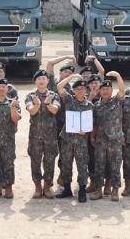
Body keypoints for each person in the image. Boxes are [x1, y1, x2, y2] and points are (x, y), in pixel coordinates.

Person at [55, 74, 94, 203]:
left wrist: (86, 131)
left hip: (81, 141)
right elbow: (59, 86)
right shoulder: (69, 100)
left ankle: (82, 190)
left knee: (82, 166)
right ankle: (67, 189)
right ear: (74, 90)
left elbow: (90, 123)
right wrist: (71, 76)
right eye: (77, 89)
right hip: (67, 140)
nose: (80, 91)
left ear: (86, 91)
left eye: (83, 89)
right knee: (66, 165)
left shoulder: (89, 105)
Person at [89, 72, 125, 202]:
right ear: (100, 91)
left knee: (115, 165)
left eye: (108, 89)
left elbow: (122, 90)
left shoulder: (117, 101)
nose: (105, 91)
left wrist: (117, 76)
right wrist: (92, 137)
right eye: (103, 89)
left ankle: (115, 190)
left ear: (111, 90)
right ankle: (98, 190)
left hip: (115, 139)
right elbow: (94, 123)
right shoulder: (96, 106)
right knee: (99, 165)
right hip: (100, 140)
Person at [25, 69, 60, 199]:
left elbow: (55, 110)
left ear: (48, 81)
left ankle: (47, 186)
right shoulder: (31, 95)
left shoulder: (53, 95)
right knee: (35, 161)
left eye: (44, 79)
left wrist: (48, 103)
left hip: (50, 136)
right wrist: (37, 105)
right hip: (35, 136)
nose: (41, 81)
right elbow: (31, 111)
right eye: (39, 79)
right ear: (35, 81)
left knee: (50, 161)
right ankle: (38, 186)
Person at [45, 55, 76, 186]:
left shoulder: (73, 89)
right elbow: (50, 63)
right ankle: (48, 180)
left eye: (70, 73)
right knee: (50, 153)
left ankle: (62, 176)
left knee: (66, 153)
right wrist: (66, 57)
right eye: (65, 72)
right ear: (60, 72)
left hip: (66, 126)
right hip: (51, 124)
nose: (67, 74)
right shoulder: (52, 82)